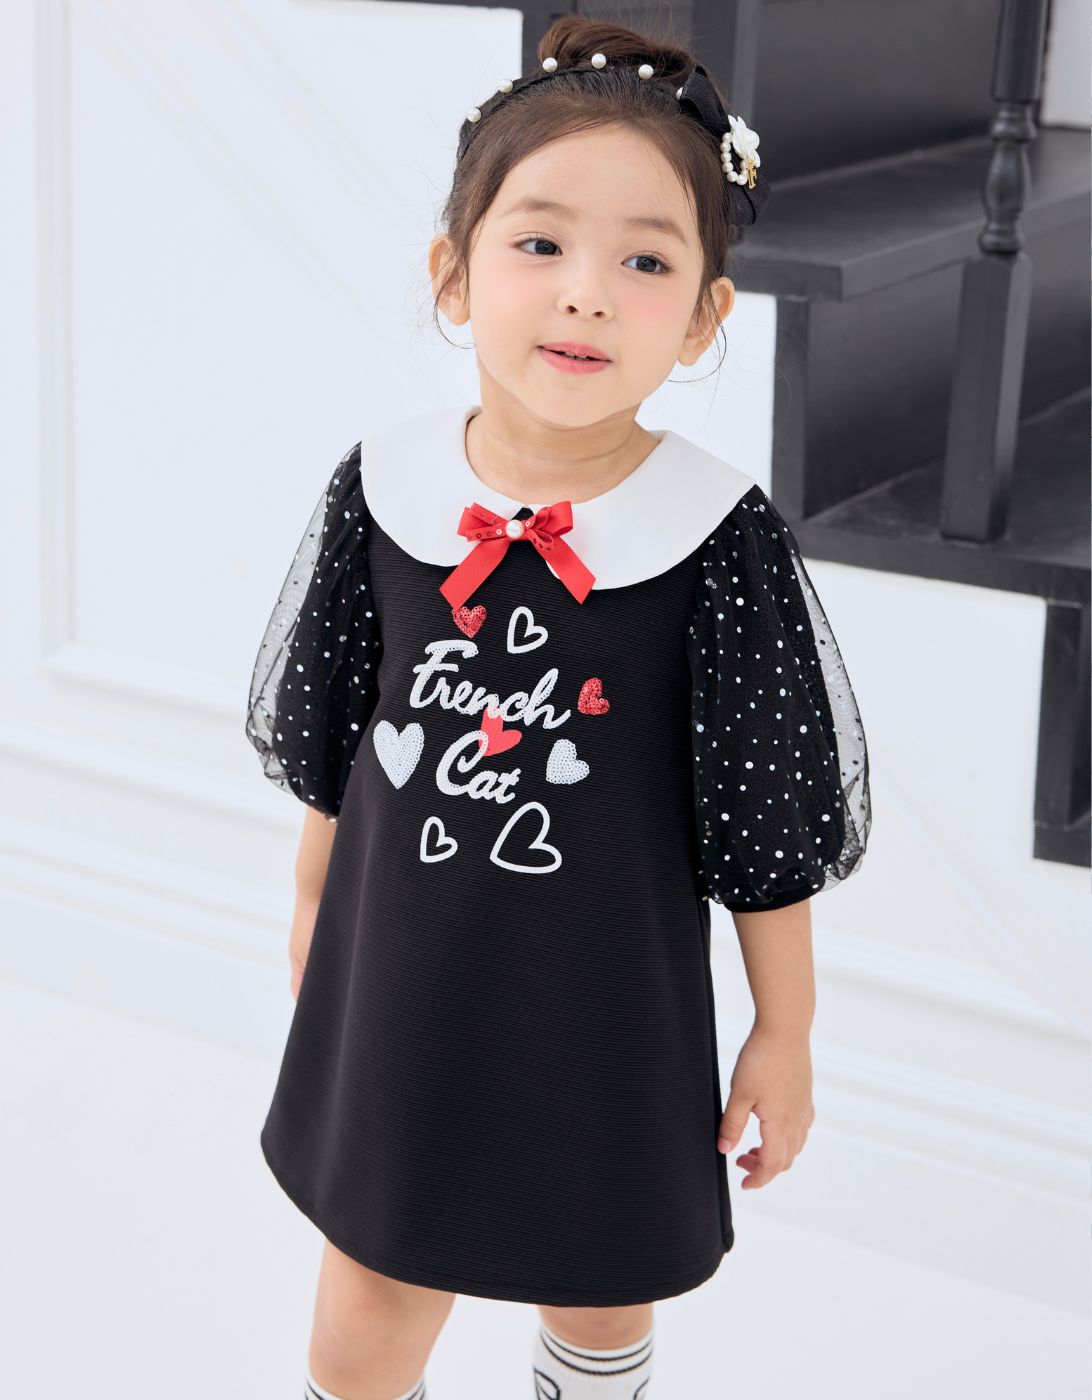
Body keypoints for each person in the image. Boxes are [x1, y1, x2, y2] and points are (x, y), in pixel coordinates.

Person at [245, 15, 871, 1400]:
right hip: (402, 993)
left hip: (606, 1009)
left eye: (646, 261)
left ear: (704, 315)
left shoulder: (711, 539)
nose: (587, 295)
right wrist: (310, 906)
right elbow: (340, 736)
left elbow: (763, 820)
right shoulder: (387, 489)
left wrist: (785, 1032)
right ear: (453, 275)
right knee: (362, 1318)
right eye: (540, 243)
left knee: (597, 1288)